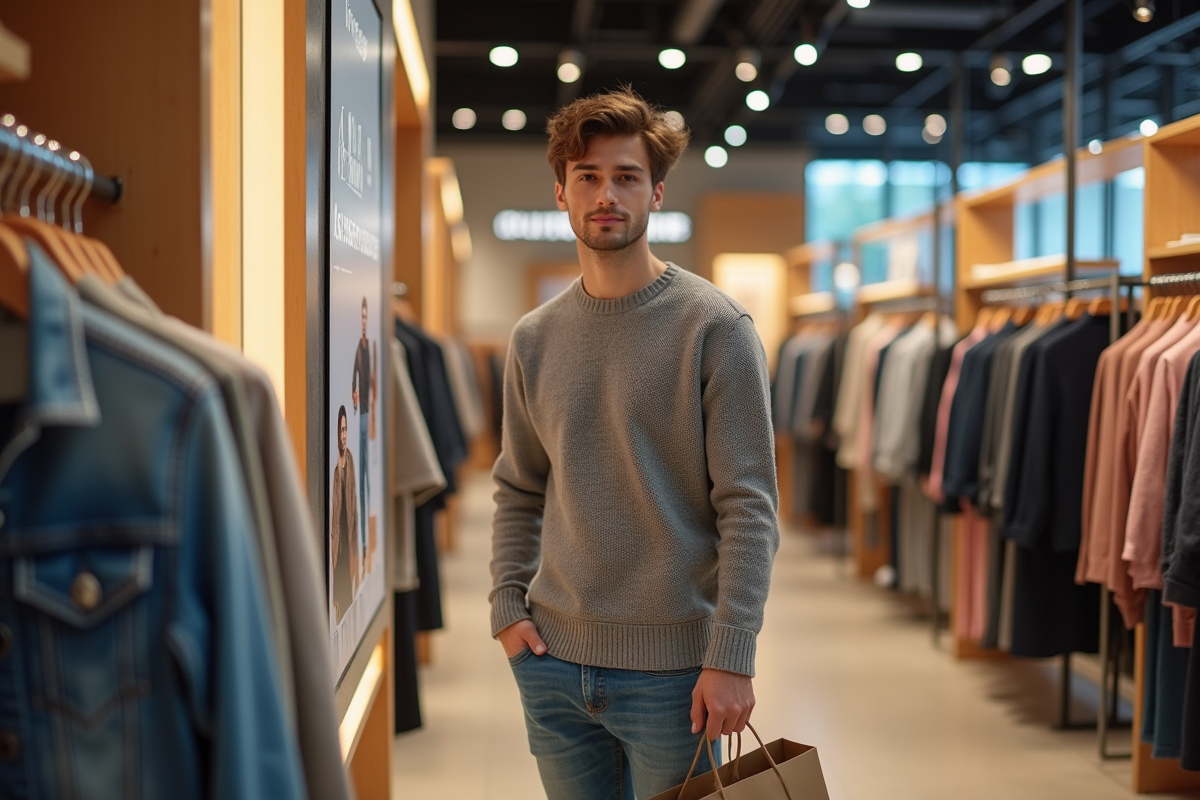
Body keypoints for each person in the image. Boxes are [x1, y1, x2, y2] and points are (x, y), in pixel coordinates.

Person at [489, 87, 780, 800]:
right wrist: (506, 605)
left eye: (626, 176)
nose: (606, 194)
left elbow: (750, 508)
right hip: (552, 663)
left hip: (677, 677)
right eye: (587, 176)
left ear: (657, 192)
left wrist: (732, 656)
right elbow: (519, 487)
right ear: (561, 191)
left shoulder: (716, 327)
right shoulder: (534, 337)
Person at [351, 297, 373, 578]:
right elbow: (355, 379)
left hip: (369, 416)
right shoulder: (359, 347)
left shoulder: (370, 348)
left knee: (367, 481)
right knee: (360, 484)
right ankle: (362, 548)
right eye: (363, 317)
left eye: (368, 317)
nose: (365, 322)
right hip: (361, 417)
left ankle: (366, 547)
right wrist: (355, 395)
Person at [331, 405, 358, 620]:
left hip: (347, 543)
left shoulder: (349, 462)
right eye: (340, 430)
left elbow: (354, 508)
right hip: (336, 544)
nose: (343, 435)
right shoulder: (334, 470)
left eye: (345, 429)